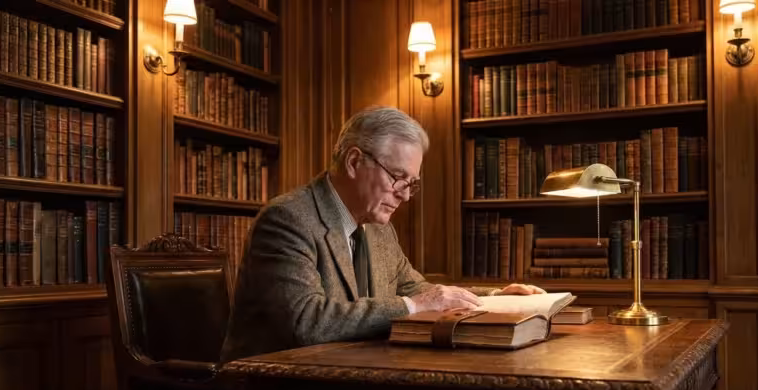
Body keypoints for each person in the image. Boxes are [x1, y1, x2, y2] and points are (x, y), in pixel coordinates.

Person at [220, 106, 544, 361]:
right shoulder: (288, 220)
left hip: (342, 380)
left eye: (411, 183)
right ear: (354, 161)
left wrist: (491, 297)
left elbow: (418, 289)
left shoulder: (378, 228)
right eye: (397, 177)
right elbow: (307, 321)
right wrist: (411, 306)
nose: (404, 194)